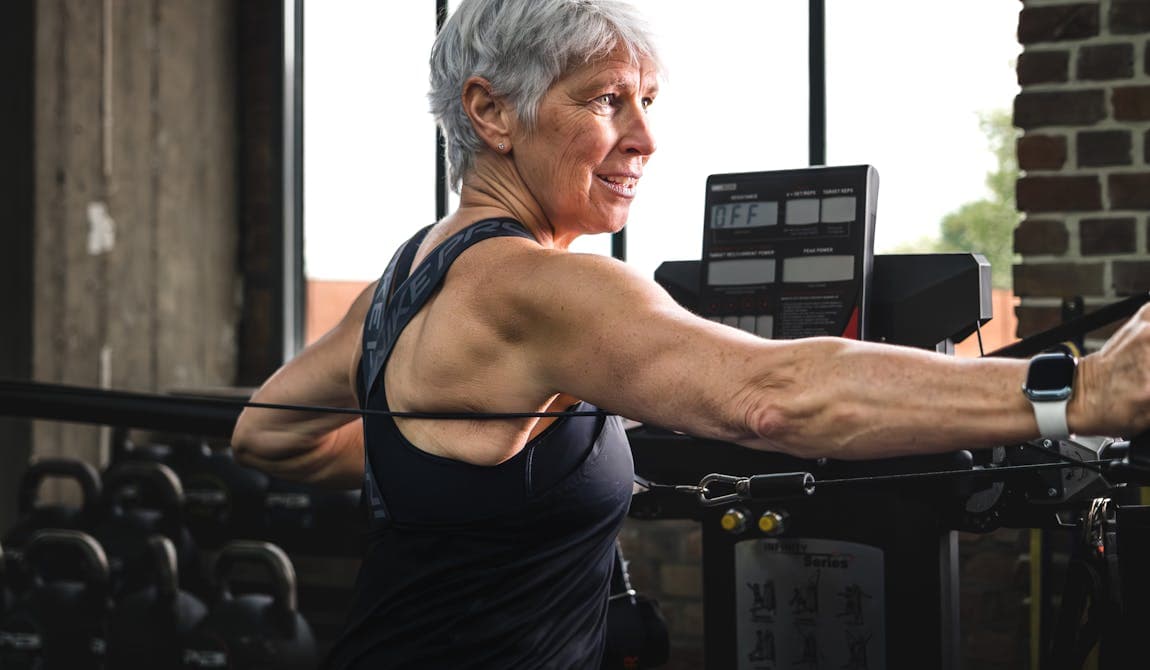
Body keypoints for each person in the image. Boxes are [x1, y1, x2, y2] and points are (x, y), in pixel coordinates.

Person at [231, 0, 1150, 666]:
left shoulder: (412, 271)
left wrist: (444, 455)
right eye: (606, 101)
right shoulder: (544, 287)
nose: (644, 137)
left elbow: (267, 432)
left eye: (649, 102)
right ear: (490, 112)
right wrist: (1086, 389)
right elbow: (775, 395)